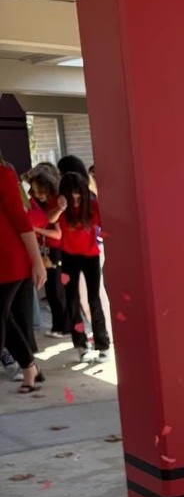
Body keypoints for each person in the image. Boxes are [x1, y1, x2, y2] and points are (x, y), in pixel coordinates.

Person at [52, 172, 110, 362]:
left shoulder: (92, 206)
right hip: (68, 257)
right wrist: (60, 208)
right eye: (71, 194)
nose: (75, 198)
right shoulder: (60, 206)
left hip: (91, 257)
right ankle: (81, 344)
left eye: (78, 193)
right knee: (72, 301)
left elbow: (107, 223)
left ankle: (103, 344)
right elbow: (50, 220)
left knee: (94, 300)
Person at [0, 161, 47, 392]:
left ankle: (29, 367)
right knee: (5, 320)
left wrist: (37, 261)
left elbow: (20, 217)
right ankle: (30, 368)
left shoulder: (4, 173)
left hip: (8, 260)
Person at [26, 166, 68, 337]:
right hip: (47, 250)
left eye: (41, 191)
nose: (39, 195)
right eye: (36, 192)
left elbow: (57, 233)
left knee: (56, 292)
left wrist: (35, 229)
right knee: (51, 292)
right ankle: (58, 327)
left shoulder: (55, 203)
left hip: (55, 250)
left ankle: (63, 327)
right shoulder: (44, 204)